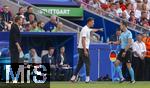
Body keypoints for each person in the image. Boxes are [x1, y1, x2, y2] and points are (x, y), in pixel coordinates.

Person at [70, 17, 103, 83]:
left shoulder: (87, 29)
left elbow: (92, 30)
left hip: (81, 48)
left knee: (80, 64)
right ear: (89, 22)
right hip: (83, 48)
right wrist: (85, 50)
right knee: (88, 63)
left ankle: (73, 77)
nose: (93, 23)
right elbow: (83, 40)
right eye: (93, 22)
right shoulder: (85, 29)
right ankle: (87, 79)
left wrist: (98, 29)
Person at [9, 16, 23, 82]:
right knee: (14, 62)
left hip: (16, 48)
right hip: (14, 48)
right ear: (17, 20)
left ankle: (15, 78)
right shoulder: (14, 26)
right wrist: (18, 46)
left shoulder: (17, 26)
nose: (22, 21)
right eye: (21, 20)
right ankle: (13, 78)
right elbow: (14, 37)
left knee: (16, 62)